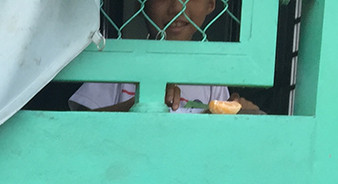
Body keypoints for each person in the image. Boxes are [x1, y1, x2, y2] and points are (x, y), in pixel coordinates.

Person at [68, 0, 262, 114]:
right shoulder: (117, 62)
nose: (177, 7)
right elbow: (78, 127)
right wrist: (139, 105)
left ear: (210, 4)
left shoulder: (210, 73)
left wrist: (237, 116)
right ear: (141, 3)